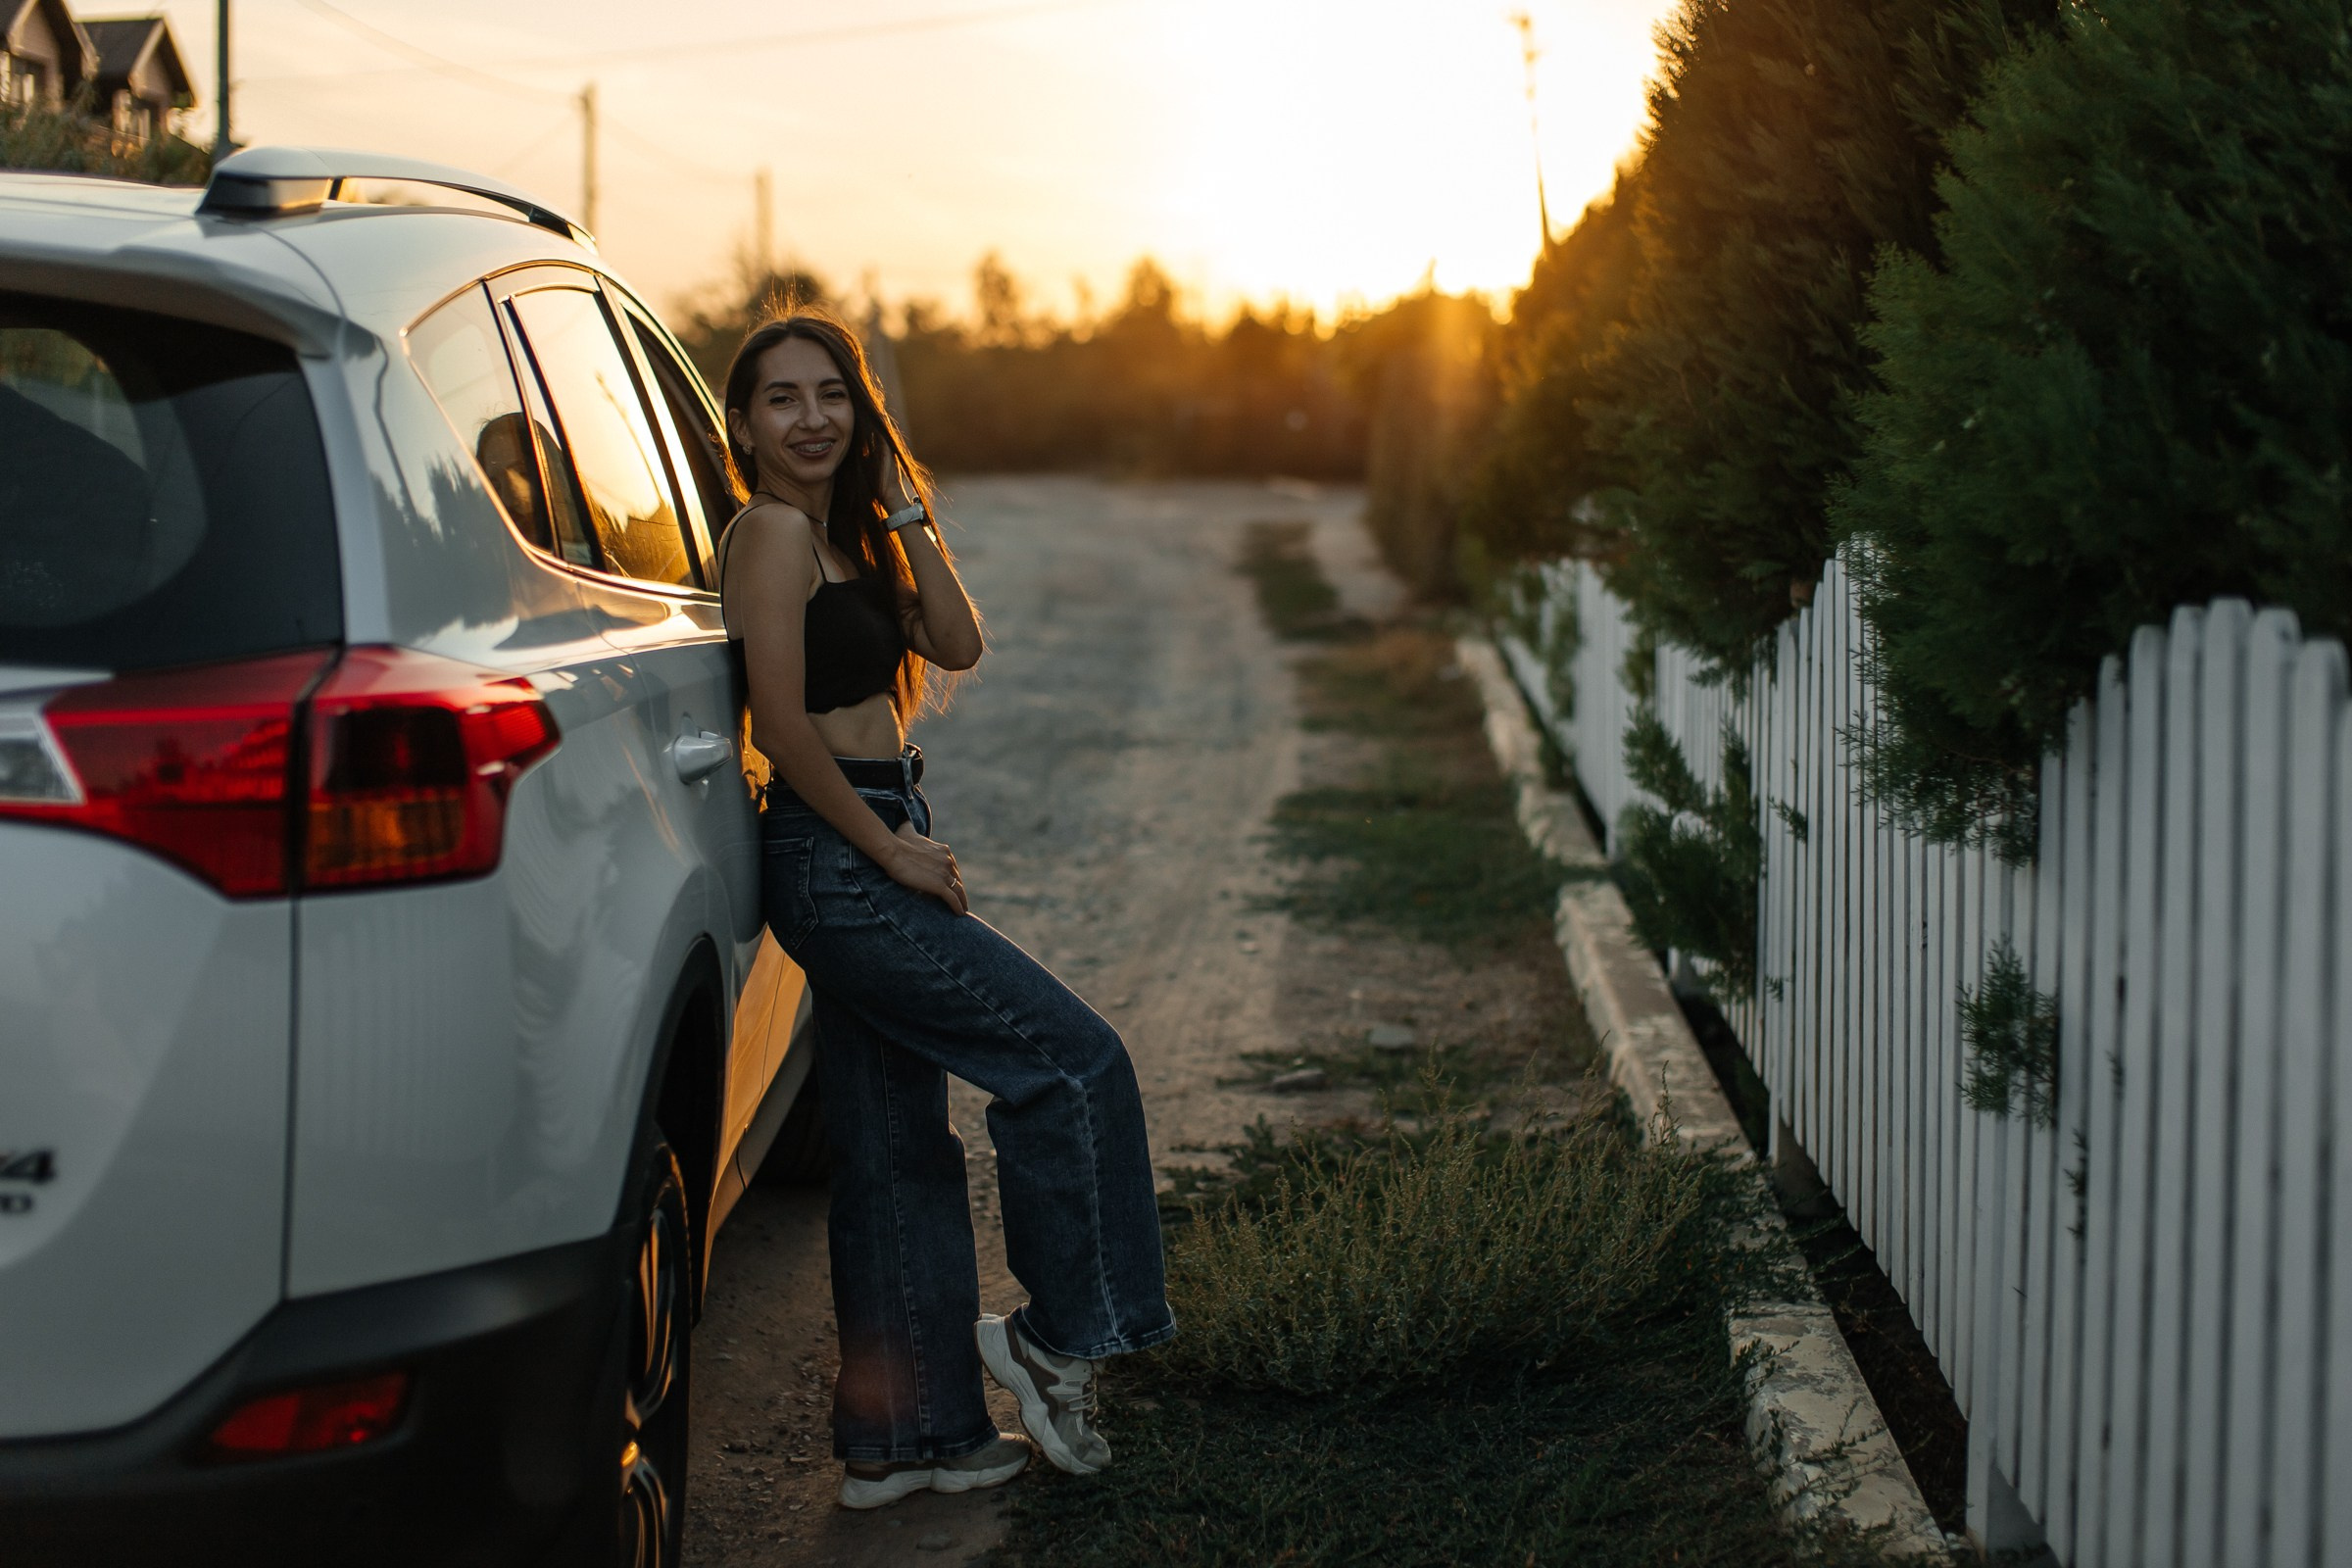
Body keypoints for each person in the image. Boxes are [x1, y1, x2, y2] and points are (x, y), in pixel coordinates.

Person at [712, 310, 1174, 1512]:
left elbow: (959, 642)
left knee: (893, 1148)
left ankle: (907, 1440)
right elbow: (779, 723)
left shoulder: (841, 539)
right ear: (746, 422)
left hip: (871, 829)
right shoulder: (768, 535)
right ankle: (1063, 1336)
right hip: (838, 848)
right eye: (782, 398)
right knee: (1070, 1063)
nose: (811, 418)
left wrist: (905, 506)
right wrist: (889, 851)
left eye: (833, 395)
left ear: (862, 414)